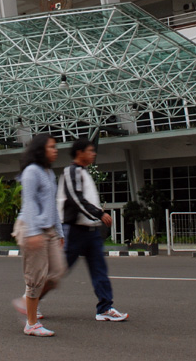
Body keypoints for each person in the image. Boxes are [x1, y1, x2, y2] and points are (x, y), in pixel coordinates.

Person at [57, 138, 129, 322]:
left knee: (99, 270)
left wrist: (96, 219)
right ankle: (32, 300)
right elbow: (76, 199)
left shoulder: (85, 172)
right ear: (80, 152)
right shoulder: (71, 171)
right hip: (75, 230)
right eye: (90, 150)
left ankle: (105, 308)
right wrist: (99, 213)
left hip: (91, 232)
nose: (93, 153)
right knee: (58, 271)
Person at [11, 133, 66, 337]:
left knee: (56, 273)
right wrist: (33, 233)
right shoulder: (31, 171)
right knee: (36, 277)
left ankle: (26, 302)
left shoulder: (49, 173)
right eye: (52, 147)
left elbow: (52, 204)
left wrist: (59, 232)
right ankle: (31, 323)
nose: (55, 150)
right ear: (40, 149)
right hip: (32, 227)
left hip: (49, 229)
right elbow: (30, 203)